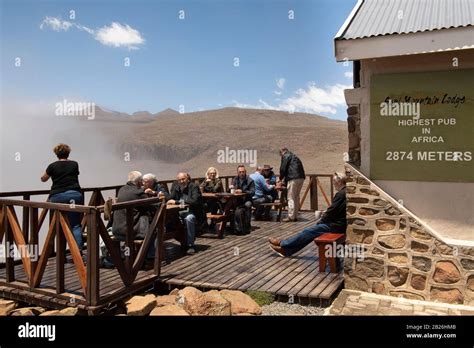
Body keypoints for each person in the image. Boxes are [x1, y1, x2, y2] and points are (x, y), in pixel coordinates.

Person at [268, 172, 347, 258]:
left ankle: (283, 244)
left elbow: (332, 211)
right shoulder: (345, 192)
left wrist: (320, 221)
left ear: (339, 182)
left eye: (334, 182)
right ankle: (286, 250)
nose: (333, 184)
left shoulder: (340, 194)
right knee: (310, 233)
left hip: (336, 226)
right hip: (340, 224)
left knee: (308, 231)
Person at [41, 143, 84, 249]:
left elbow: (43, 179)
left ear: (56, 154)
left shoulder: (52, 166)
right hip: (74, 195)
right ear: (68, 153)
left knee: (59, 224)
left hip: (57, 197)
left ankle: (61, 254)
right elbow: (75, 174)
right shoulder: (74, 164)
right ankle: (77, 252)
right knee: (75, 225)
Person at [112, 171, 158, 242]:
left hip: (117, 230)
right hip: (131, 231)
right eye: (142, 181)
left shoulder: (121, 189)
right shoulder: (138, 192)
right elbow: (153, 206)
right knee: (156, 230)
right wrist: (159, 198)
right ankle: (150, 252)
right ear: (139, 181)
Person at [167, 172, 204, 254]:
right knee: (169, 218)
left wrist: (176, 202)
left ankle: (190, 245)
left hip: (191, 211)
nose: (181, 181)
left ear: (187, 179)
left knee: (189, 218)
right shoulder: (176, 187)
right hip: (178, 211)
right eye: (179, 180)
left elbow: (194, 201)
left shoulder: (194, 186)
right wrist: (157, 194)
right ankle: (183, 242)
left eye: (183, 179)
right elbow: (170, 197)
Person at [279, 147, 305, 222]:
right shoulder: (294, 156)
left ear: (282, 152)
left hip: (293, 178)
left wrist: (280, 178)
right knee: (296, 197)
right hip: (301, 177)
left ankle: (291, 216)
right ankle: (295, 215)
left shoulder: (286, 156)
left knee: (290, 197)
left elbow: (283, 168)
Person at [229, 165, 255, 235]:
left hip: (247, 199)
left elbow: (252, 192)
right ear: (237, 172)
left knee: (247, 205)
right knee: (228, 206)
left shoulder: (250, 180)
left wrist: (243, 191)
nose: (241, 173)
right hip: (237, 199)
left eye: (243, 172)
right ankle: (235, 227)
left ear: (245, 172)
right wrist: (231, 188)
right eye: (240, 172)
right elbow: (232, 188)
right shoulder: (235, 179)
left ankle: (247, 226)